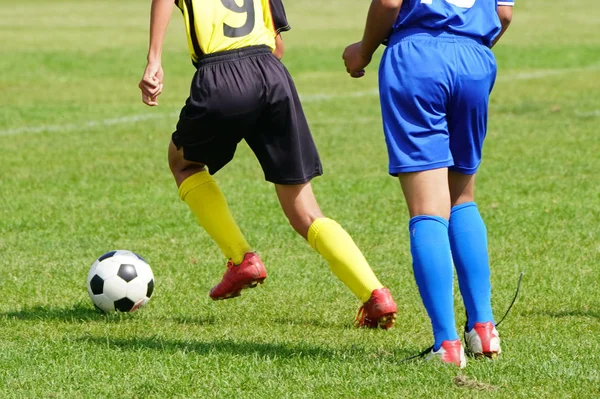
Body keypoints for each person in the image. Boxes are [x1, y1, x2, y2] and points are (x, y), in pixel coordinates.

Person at [138, 0, 397, 328]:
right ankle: (374, 294)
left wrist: (153, 60)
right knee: (304, 210)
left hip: (221, 74)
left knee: (183, 163)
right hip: (272, 76)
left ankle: (241, 259)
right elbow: (277, 45)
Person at [343, 0, 514, 366]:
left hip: (417, 56)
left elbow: (390, 2)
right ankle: (483, 330)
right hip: (475, 57)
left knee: (427, 208)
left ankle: (447, 346)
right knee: (462, 197)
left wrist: (363, 51)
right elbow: (503, 14)